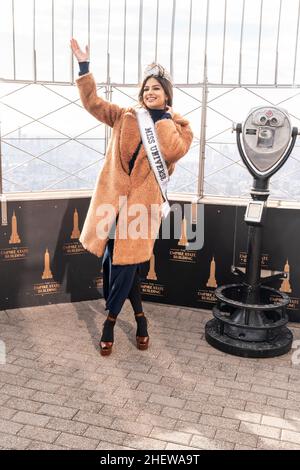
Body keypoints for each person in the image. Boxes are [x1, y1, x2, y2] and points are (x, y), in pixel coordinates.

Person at [70, 38, 193, 356]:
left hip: (142, 211)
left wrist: (163, 120)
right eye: (146, 89)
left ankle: (109, 323)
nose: (150, 92)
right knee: (118, 265)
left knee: (125, 267)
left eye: (157, 89)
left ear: (167, 94)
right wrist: (84, 68)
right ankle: (140, 319)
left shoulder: (180, 127)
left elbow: (171, 151)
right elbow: (93, 103)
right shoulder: (125, 116)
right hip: (112, 206)